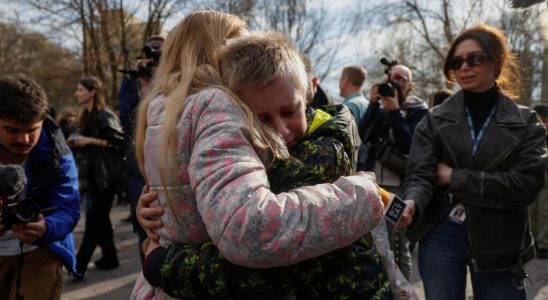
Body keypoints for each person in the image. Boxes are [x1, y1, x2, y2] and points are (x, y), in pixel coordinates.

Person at [131, 10, 384, 300]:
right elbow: (250, 228)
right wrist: (361, 197)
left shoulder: (162, 109)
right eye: (238, 47)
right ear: (220, 53)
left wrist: (160, 252)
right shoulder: (215, 105)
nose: (247, 56)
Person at [400, 23, 547, 299]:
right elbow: (420, 175)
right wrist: (412, 203)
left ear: (497, 61)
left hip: (500, 238)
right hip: (441, 230)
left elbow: (525, 186)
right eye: (457, 61)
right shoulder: (434, 119)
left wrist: (454, 177)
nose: (464, 67)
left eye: (474, 58)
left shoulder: (525, 122)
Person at [0, 75, 80, 299]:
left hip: (42, 251)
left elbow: (69, 208)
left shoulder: (57, 154)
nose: (24, 139)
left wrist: (47, 228)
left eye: (32, 130)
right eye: (12, 130)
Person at [358, 62, 428, 280]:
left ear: (410, 86)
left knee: (397, 244)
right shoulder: (379, 109)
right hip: (374, 187)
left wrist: (395, 112)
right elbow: (362, 135)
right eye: (392, 77)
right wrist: (372, 105)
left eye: (401, 79)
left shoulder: (419, 112)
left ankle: (403, 291)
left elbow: (409, 145)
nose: (395, 82)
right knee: (372, 243)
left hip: (398, 188)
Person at [68, 76, 124, 279]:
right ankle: (110, 258)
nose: (77, 93)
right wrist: (77, 142)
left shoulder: (104, 115)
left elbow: (119, 143)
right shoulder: (86, 116)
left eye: (80, 89)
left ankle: (78, 266)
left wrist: (88, 140)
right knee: (101, 221)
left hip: (107, 179)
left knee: (93, 223)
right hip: (92, 177)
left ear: (92, 92)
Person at [118, 36, 164, 263]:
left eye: (159, 50)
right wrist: (137, 83)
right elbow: (126, 117)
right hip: (137, 166)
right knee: (144, 225)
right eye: (150, 50)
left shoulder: (174, 75)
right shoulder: (134, 78)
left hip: (165, 164)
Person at [531, 104, 548, 259]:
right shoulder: (531, 129)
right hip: (532, 173)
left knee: (543, 210)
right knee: (533, 209)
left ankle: (542, 244)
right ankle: (537, 242)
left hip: (544, 173)